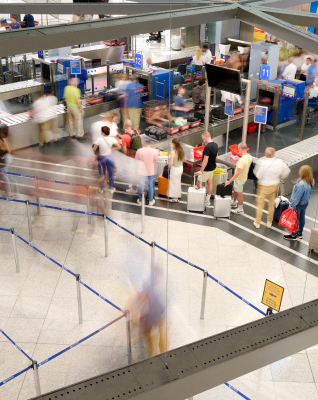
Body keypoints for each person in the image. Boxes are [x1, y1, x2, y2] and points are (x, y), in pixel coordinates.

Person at [253, 147, 290, 229]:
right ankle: (269, 222)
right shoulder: (279, 162)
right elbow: (287, 170)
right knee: (271, 204)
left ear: (267, 154)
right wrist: (281, 175)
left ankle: (257, 222)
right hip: (274, 186)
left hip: (264, 186)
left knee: (260, 205)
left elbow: (258, 175)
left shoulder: (263, 162)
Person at [284, 165, 315, 241]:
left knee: (295, 219)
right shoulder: (311, 180)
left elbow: (297, 197)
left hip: (298, 204)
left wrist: (292, 205)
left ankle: (293, 235)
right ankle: (300, 233)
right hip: (305, 203)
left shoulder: (301, 185)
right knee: (302, 218)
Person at [225, 142, 252, 215]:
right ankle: (234, 202)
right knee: (235, 189)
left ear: (240, 149)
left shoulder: (241, 161)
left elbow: (237, 173)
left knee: (239, 193)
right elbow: (244, 161)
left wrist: (229, 181)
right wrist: (239, 158)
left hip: (239, 179)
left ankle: (240, 209)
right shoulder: (249, 156)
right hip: (243, 177)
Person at [93, 126, 121, 194]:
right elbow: (119, 147)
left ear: (102, 132)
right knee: (111, 173)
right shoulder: (112, 139)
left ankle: (101, 189)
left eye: (101, 131)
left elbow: (94, 149)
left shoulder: (98, 139)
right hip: (110, 157)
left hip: (102, 158)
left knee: (102, 174)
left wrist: (98, 153)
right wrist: (112, 149)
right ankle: (112, 188)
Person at [195, 131, 218, 206]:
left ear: (205, 137)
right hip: (213, 167)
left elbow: (205, 161)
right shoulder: (215, 144)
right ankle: (207, 201)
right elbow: (216, 155)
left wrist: (201, 171)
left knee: (198, 183)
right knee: (209, 183)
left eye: (203, 138)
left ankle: (201, 199)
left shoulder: (207, 147)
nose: (203, 140)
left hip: (207, 169)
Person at [122, 119, 141, 194]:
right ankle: (135, 184)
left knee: (132, 172)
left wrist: (124, 158)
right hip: (138, 155)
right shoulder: (137, 132)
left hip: (130, 157)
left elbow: (124, 150)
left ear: (125, 125)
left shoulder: (124, 136)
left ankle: (134, 188)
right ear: (131, 125)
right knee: (136, 171)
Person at [0, 124, 19, 198]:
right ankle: (15, 191)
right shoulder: (6, 137)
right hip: (10, 157)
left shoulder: (1, 139)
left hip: (5, 159)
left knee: (5, 176)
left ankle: (8, 193)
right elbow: (9, 149)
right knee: (11, 176)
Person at [168, 138, 185, 202]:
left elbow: (171, 163)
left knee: (174, 183)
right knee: (178, 182)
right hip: (180, 168)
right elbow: (184, 159)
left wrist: (168, 163)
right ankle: (178, 195)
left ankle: (176, 198)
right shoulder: (181, 150)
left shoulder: (173, 152)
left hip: (175, 169)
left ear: (174, 144)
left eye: (172, 143)